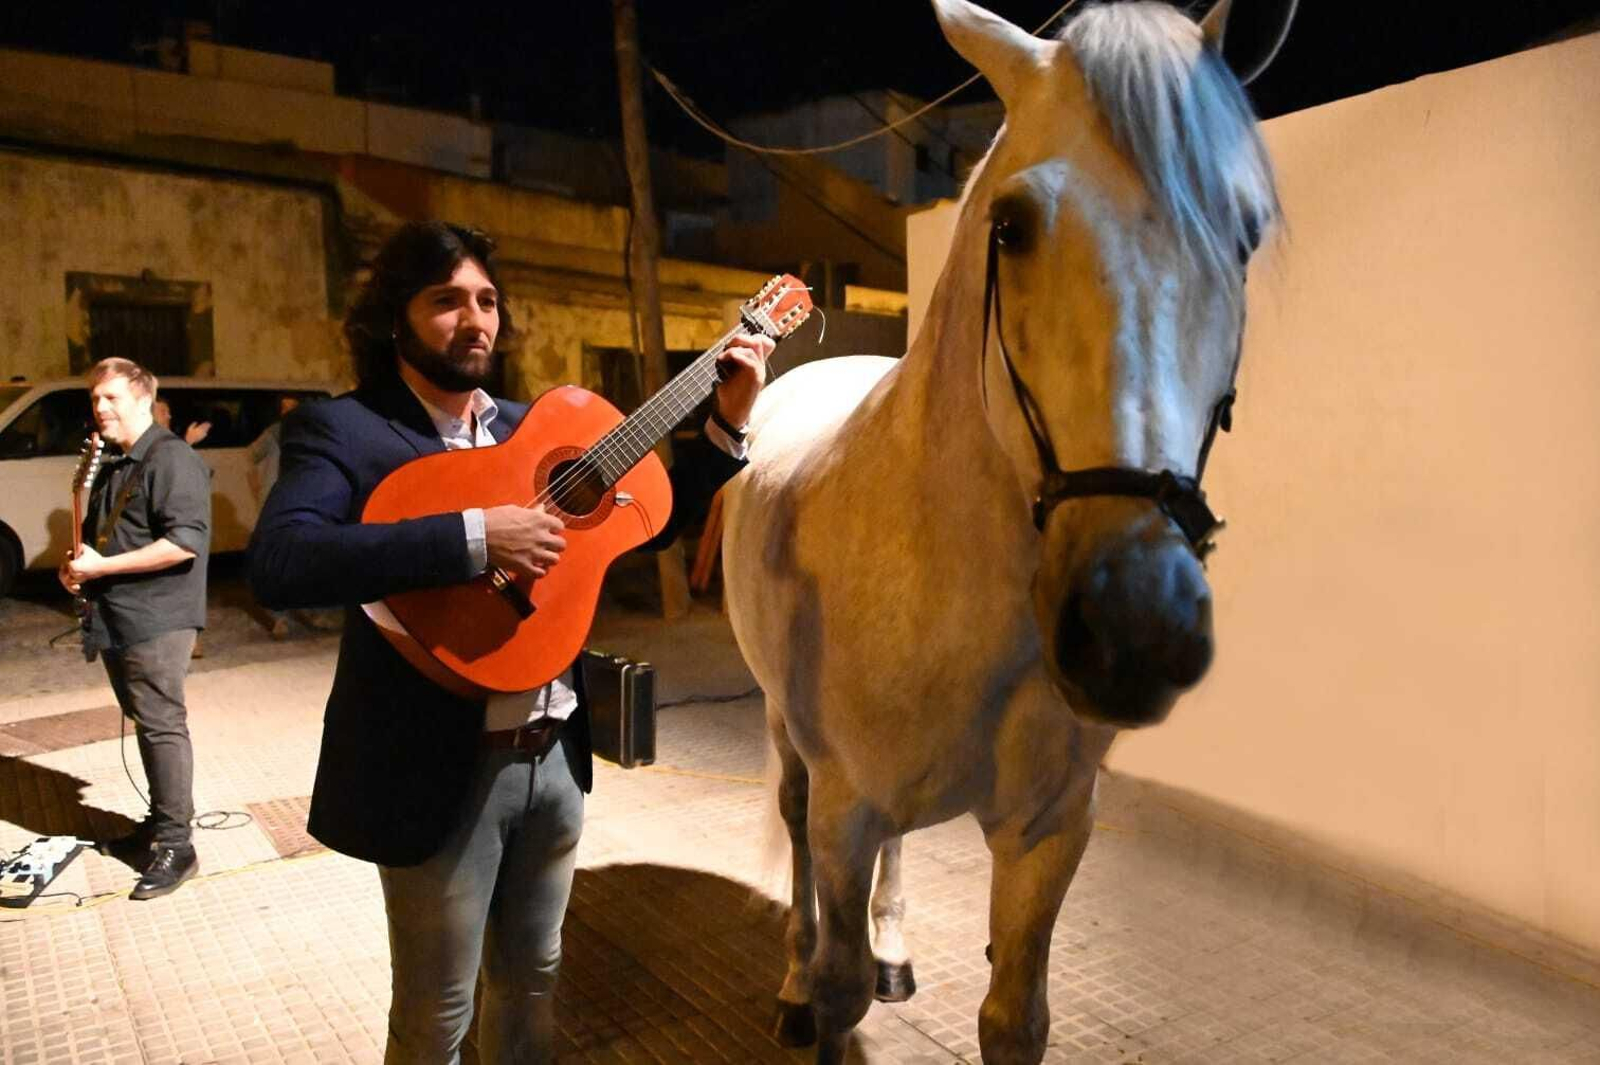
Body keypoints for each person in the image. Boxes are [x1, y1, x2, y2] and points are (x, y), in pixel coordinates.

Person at [248, 221, 771, 1063]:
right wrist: (471, 536)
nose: (474, 320)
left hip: (555, 755)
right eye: (446, 300)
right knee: (435, 1013)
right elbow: (280, 560)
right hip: (438, 768)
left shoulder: (538, 428)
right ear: (396, 318)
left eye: (487, 300)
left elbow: (650, 514)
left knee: (534, 978)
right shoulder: (344, 431)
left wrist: (727, 426)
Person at [60, 358, 211, 900]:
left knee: (161, 724)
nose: (100, 408)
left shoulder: (171, 459)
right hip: (119, 616)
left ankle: (178, 845)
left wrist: (102, 568)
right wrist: (77, 568)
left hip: (159, 617)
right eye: (95, 399)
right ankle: (157, 826)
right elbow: (109, 540)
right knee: (146, 721)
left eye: (111, 398)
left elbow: (183, 542)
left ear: (144, 400)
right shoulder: (118, 463)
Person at [246, 395, 301, 639]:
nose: (287, 412)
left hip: (286, 504)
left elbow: (252, 455)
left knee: (283, 562)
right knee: (282, 562)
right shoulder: (298, 433)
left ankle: (285, 616)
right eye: (285, 408)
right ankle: (282, 617)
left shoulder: (276, 433)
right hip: (287, 504)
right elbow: (253, 455)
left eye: (291, 408)